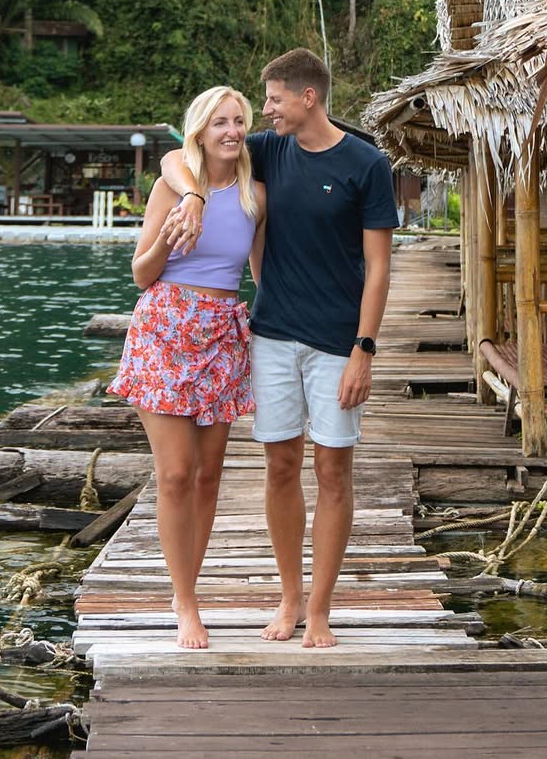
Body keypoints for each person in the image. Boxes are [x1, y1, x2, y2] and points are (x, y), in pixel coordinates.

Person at [160, 48, 396, 648]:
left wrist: (364, 349)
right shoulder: (269, 151)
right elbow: (174, 155)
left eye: (272, 100)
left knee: (333, 469)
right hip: (270, 337)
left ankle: (320, 609)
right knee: (282, 466)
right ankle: (289, 599)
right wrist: (190, 197)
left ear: (306, 98)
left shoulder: (367, 164)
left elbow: (378, 267)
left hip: (338, 344)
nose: (262, 113)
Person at [108, 86, 265, 650]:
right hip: (165, 327)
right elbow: (140, 273)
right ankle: (186, 601)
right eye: (219, 122)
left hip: (223, 332)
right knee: (174, 473)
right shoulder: (171, 186)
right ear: (199, 130)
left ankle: (189, 586)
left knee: (208, 475)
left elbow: (263, 274)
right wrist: (173, 235)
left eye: (239, 121)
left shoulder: (255, 194)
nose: (231, 130)